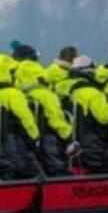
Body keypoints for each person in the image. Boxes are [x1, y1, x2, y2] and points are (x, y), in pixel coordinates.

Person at [0, 49, 43, 179]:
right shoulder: (12, 93)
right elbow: (25, 116)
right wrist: (35, 136)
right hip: (11, 135)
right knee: (23, 166)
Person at [12, 43, 72, 177]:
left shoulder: (14, 88)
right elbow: (56, 119)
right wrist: (69, 138)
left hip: (19, 137)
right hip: (46, 135)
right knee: (55, 166)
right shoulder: (45, 93)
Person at [67, 55, 108, 173]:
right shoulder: (93, 93)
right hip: (91, 145)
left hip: (73, 143)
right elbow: (104, 117)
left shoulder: (70, 90)